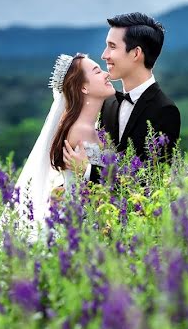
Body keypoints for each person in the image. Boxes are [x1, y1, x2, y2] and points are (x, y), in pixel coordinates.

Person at [64, 12, 181, 182]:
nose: (104, 55)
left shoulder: (165, 111)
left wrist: (88, 171)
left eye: (112, 46)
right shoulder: (109, 102)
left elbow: (152, 183)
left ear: (136, 53)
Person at [15, 53, 115, 225]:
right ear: (84, 87)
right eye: (97, 72)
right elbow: (93, 187)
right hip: (84, 222)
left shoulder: (90, 127)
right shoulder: (80, 131)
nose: (106, 74)